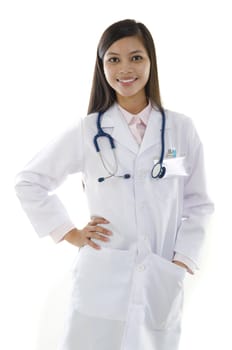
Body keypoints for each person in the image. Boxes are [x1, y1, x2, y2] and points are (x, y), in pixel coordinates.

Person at [15, 19, 214, 350]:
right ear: (102, 65)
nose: (125, 69)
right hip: (102, 279)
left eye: (136, 57)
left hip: (160, 279)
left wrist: (180, 262)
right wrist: (70, 232)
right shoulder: (89, 130)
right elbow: (29, 181)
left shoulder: (180, 129)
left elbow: (199, 203)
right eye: (114, 59)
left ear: (151, 61)